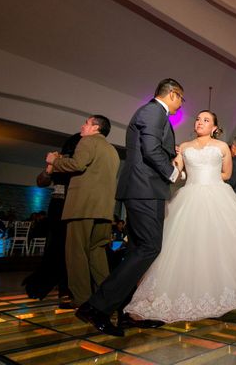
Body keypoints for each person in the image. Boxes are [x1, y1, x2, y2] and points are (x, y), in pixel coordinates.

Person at [124, 110, 236, 322]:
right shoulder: (185, 147)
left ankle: (225, 292)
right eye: (198, 119)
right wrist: (176, 161)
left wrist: (208, 177)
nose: (200, 122)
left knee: (221, 245)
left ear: (215, 128)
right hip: (189, 195)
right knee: (187, 245)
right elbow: (175, 172)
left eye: (206, 120)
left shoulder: (222, 147)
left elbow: (226, 174)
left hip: (217, 194)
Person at [75, 78, 184, 337]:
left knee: (137, 249)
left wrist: (170, 151)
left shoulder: (155, 114)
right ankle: (96, 306)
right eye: (181, 98)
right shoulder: (153, 111)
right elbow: (149, 149)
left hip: (143, 188)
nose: (181, 104)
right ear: (174, 94)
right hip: (144, 189)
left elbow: (151, 147)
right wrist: (172, 172)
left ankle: (124, 312)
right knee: (150, 247)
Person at [47, 115, 120, 309]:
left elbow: (77, 165)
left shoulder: (87, 141)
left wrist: (54, 161)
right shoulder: (112, 150)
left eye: (86, 123)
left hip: (82, 207)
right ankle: (107, 298)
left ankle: (82, 299)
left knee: (75, 252)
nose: (82, 126)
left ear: (95, 127)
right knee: (97, 252)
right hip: (103, 210)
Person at [22, 133, 81, 304]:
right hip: (59, 206)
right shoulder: (60, 160)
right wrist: (50, 166)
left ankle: (65, 288)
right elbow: (41, 182)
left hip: (74, 206)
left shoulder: (82, 161)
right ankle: (59, 288)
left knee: (68, 249)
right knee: (58, 247)